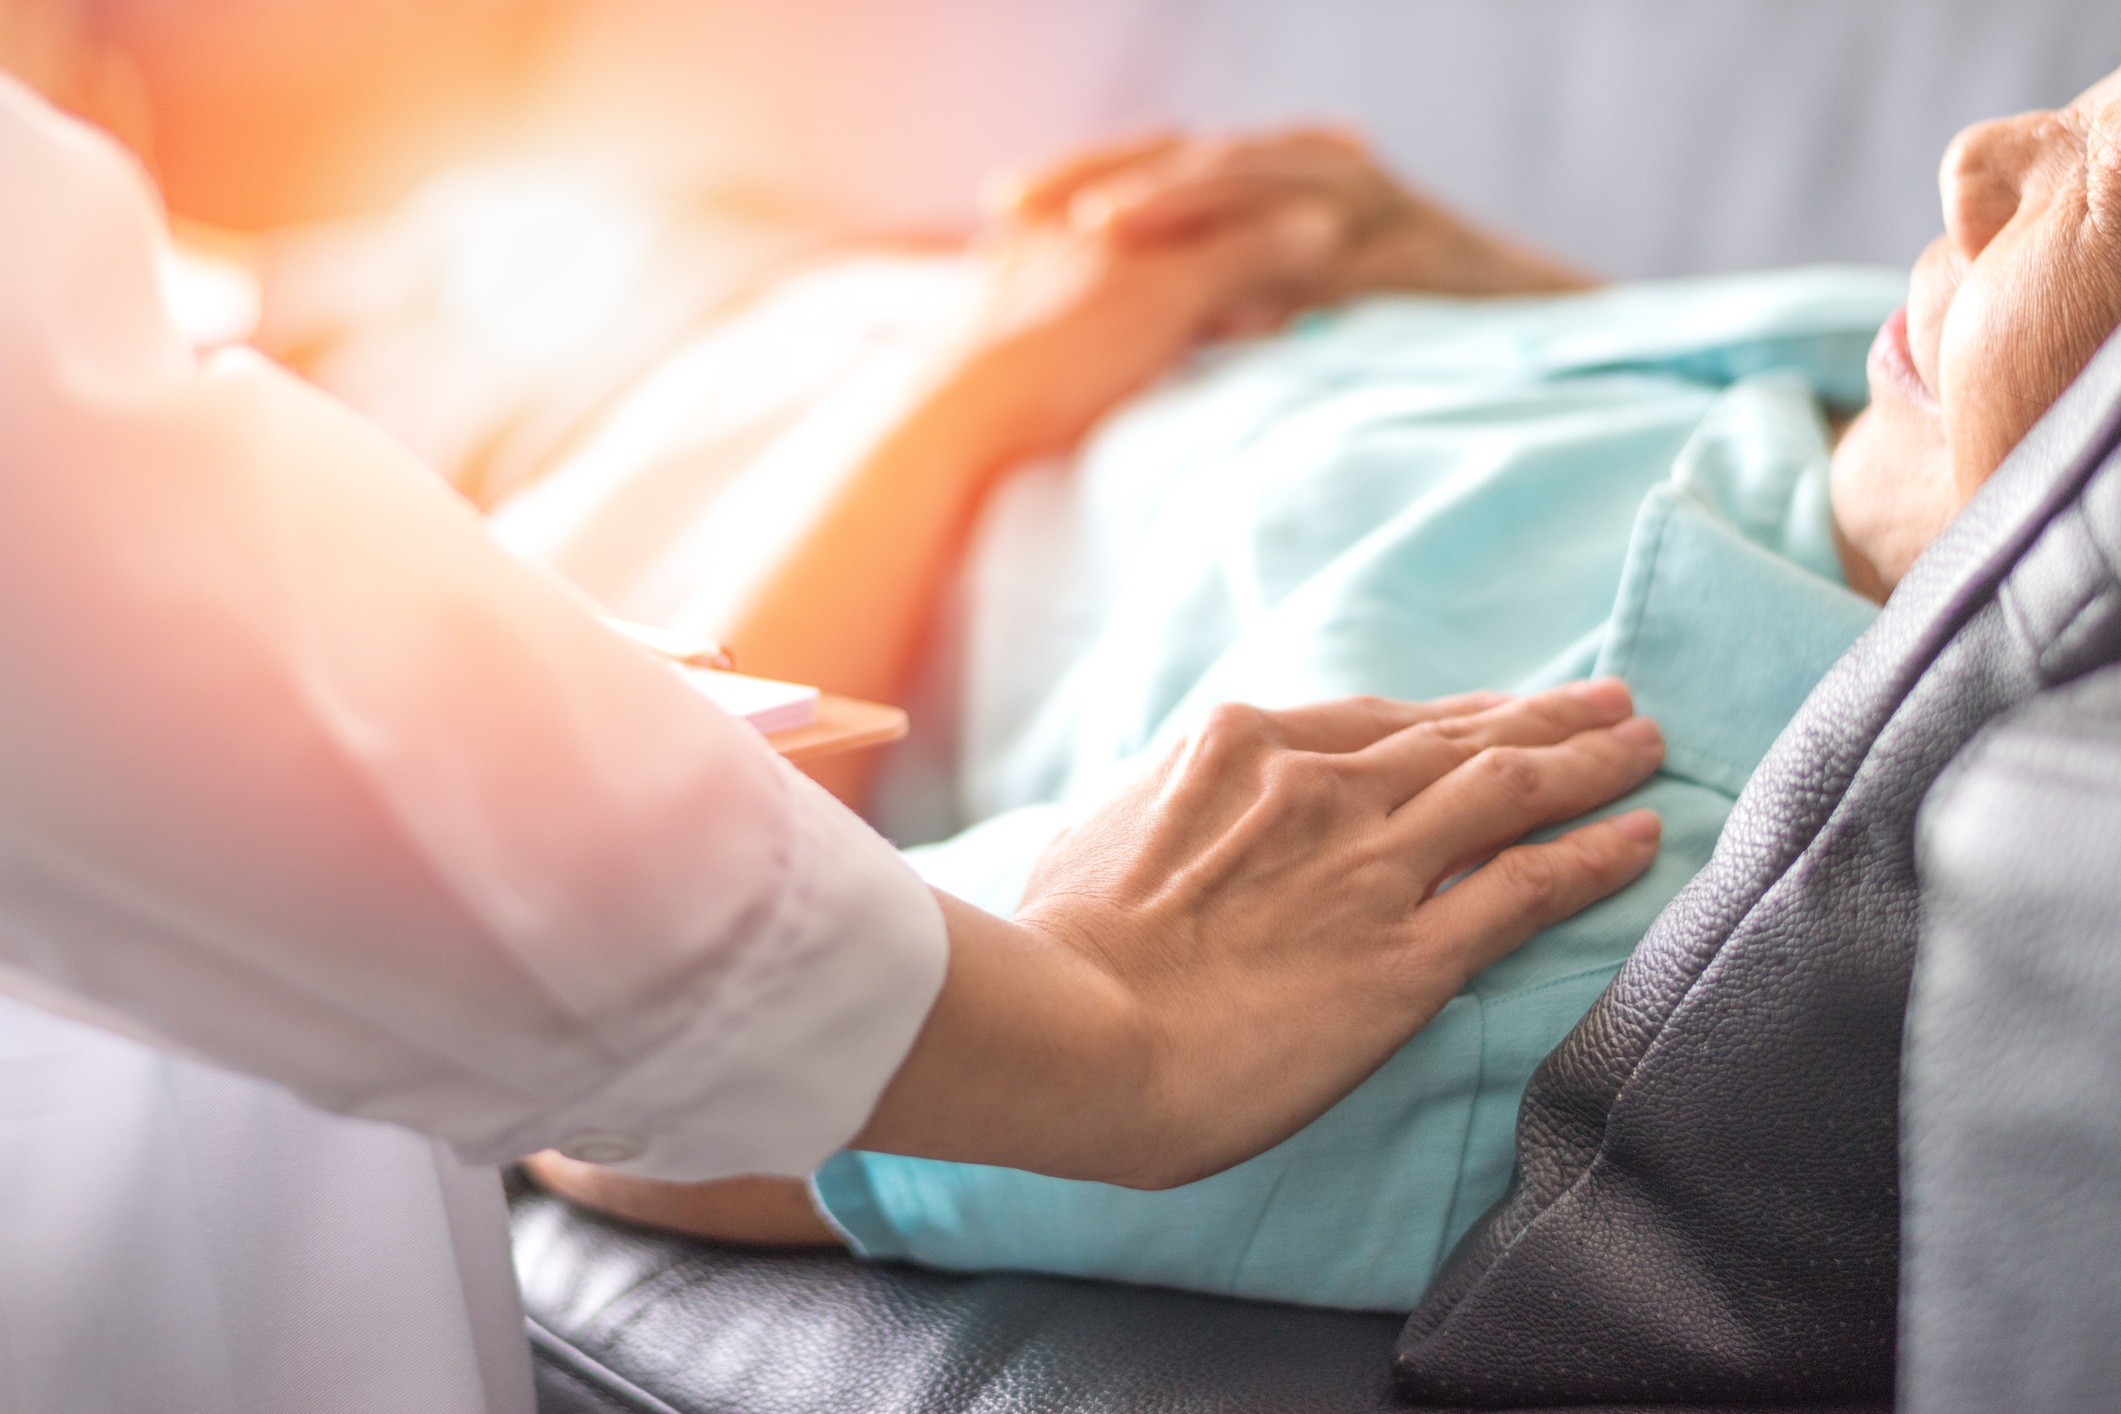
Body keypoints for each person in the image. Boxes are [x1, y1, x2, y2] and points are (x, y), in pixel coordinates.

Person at [0, 5, 1665, 1411]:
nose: (1945, 191)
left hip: (638, 375)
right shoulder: (1837, 376)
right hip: (712, 327)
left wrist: (979, 382)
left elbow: (479, 723)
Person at [524, 67, 2121, 1311]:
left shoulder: (1507, 916)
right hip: (750, 280)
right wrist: (1467, 305)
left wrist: (978, 385)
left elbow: (605, 1035)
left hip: (561, 493)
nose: (1974, 159)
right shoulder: (1914, 402)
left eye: (2104, 191)